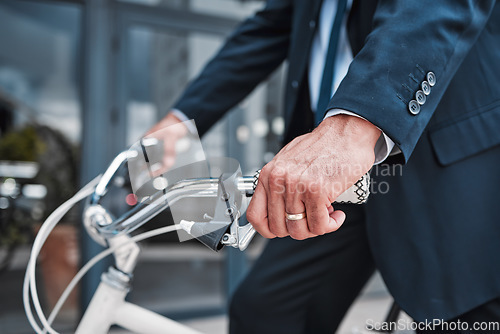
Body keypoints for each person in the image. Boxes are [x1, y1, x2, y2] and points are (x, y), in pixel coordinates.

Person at [147, 0, 500, 332]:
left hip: (436, 162)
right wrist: (180, 119)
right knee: (263, 311)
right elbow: (268, 28)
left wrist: (354, 125)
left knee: (462, 313)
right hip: (328, 180)